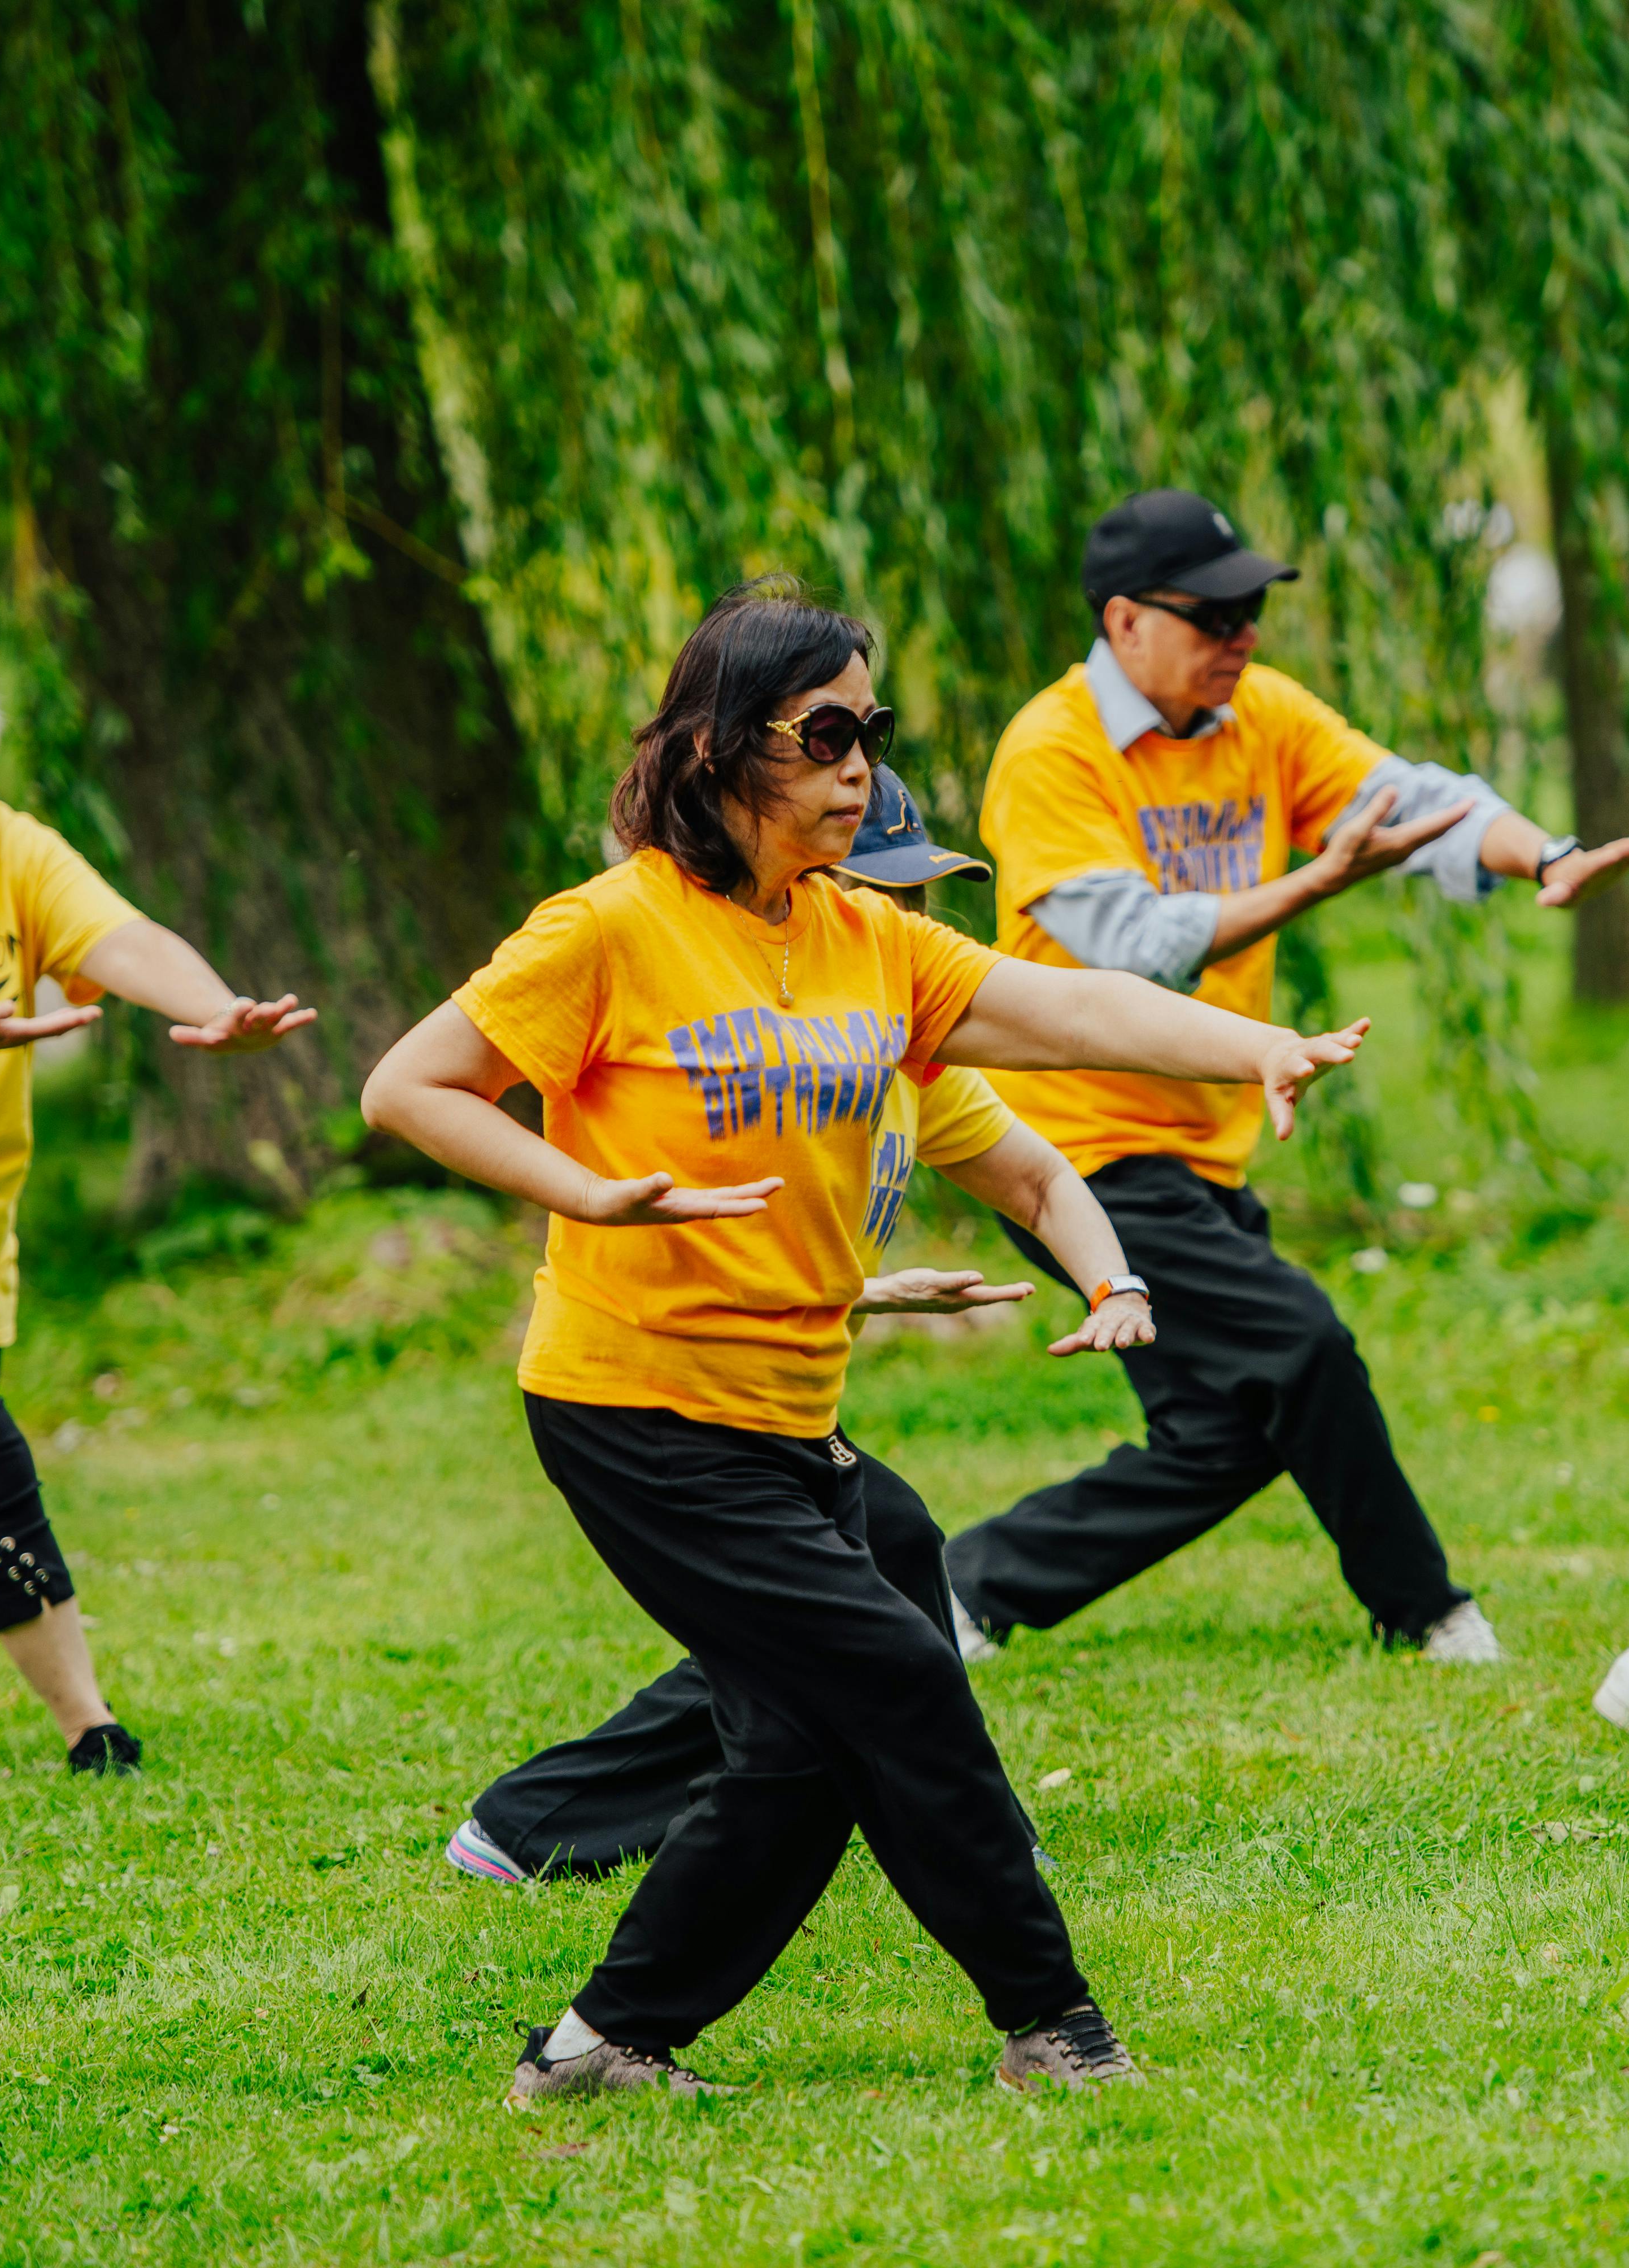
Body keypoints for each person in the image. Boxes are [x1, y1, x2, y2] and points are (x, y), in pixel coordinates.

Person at [362, 574, 1365, 2103]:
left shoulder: (867, 945)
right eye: (824, 733)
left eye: (870, 734)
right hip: (634, 1408)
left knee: (803, 1746)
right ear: (716, 753)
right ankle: (1056, 2028)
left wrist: (1262, 1045)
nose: (859, 770)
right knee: (895, 1677)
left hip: (786, 1410)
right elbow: (409, 1088)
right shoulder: (611, 930)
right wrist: (588, 1193)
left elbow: (1074, 1014)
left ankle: (602, 2048)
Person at [943, 487, 1629, 1671]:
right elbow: (1131, 943)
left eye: (1253, 610)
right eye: (1215, 614)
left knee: (1227, 1431)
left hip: (1201, 1140)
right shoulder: (1050, 751)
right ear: (1125, 622)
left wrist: (1546, 855)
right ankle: (1428, 1611)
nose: (1244, 636)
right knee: (1304, 1345)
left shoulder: (1259, 713)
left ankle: (963, 1588)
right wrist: (1316, 885)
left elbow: (1413, 802)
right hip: (1072, 1150)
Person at [442, 767, 1156, 1889]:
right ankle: (554, 1830)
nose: (914, 921)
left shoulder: (900, 1050)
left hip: (772, 1390)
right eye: (890, 891)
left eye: (927, 893)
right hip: (654, 1391)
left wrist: (1105, 1288)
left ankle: (538, 1823)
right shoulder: (714, 1002)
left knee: (883, 1561)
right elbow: (706, 1224)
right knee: (842, 1630)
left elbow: (1030, 1176)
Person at [0, 799, 315, 1773]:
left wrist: (215, 1007)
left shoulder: (10, 848)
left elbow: (123, 938)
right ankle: (89, 1726)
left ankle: (88, 1726)